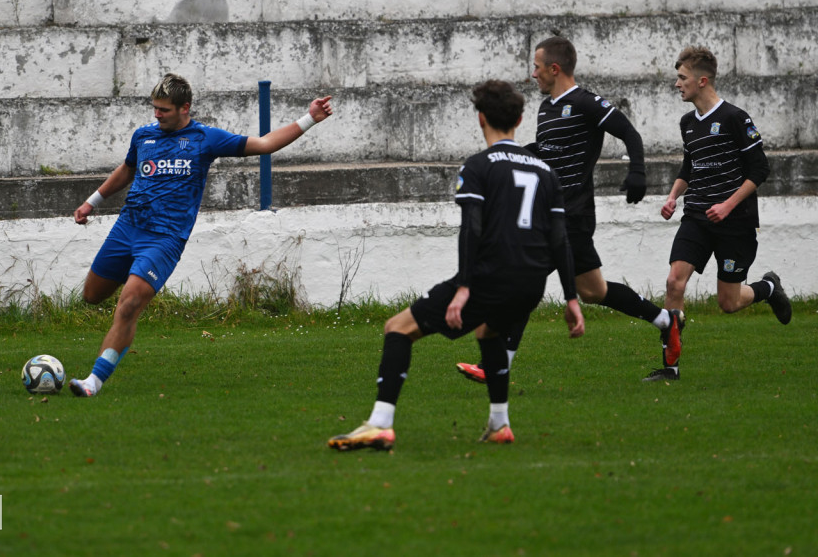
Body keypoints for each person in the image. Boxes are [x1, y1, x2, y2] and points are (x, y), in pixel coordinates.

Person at [327, 79, 584, 451]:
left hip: (490, 276)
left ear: (481, 119)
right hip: (531, 283)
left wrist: (463, 287)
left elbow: (472, 229)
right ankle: (499, 424)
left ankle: (380, 424)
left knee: (398, 328)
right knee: (489, 333)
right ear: (521, 118)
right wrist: (572, 298)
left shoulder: (480, 166)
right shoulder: (545, 171)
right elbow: (560, 238)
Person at [68, 73, 333, 397]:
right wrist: (91, 202)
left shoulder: (205, 139)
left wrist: (310, 118)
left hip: (164, 239)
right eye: (154, 108)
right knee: (92, 296)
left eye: (163, 109)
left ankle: (93, 381)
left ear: (185, 108)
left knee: (128, 306)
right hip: (127, 229)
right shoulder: (143, 137)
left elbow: (265, 144)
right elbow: (127, 169)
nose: (156, 115)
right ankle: (135, 279)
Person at [455, 36, 682, 384]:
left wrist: (637, 172)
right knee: (594, 291)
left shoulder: (586, 102)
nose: (533, 74)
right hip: (552, 209)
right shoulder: (546, 108)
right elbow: (550, 152)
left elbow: (630, 134)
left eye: (537, 66)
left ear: (554, 68)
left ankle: (496, 365)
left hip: (572, 214)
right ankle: (666, 322)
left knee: (524, 280)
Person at [648, 46, 792, 381]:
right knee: (673, 283)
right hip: (697, 216)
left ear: (702, 80)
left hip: (735, 221)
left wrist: (728, 205)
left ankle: (768, 289)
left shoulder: (734, 118)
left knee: (728, 302)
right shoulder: (687, 123)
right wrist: (672, 197)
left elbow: (760, 169)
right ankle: (670, 367)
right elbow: (689, 168)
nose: (676, 84)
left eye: (682, 78)